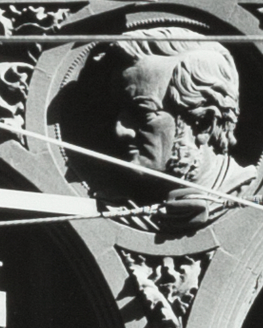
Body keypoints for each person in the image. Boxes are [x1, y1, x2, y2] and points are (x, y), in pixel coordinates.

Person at [100, 23, 241, 225]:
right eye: (117, 113)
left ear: (204, 123)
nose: (120, 131)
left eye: (142, 113)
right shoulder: (113, 201)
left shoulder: (243, 193)